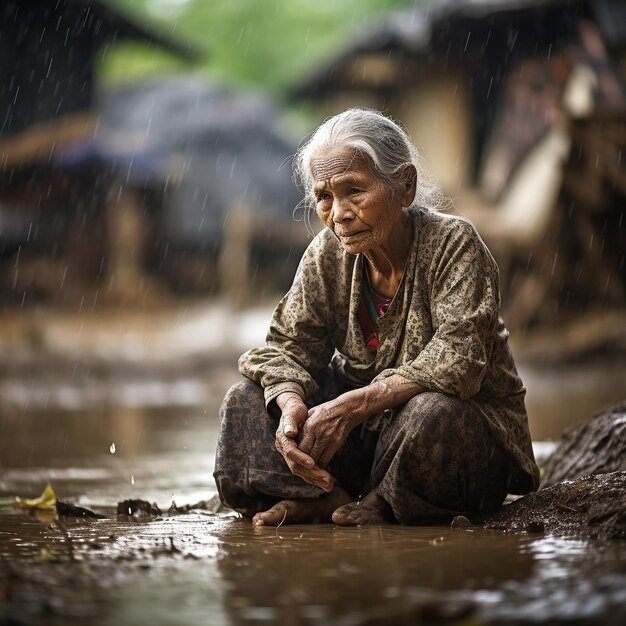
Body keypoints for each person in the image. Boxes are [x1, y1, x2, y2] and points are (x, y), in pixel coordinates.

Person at [214, 108, 539, 526]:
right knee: (244, 400)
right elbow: (284, 349)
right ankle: (328, 496)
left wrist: (350, 407)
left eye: (354, 191)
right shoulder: (326, 257)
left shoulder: (454, 244)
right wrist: (291, 402)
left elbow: (459, 361)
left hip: (454, 438)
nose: (339, 214)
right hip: (371, 440)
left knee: (432, 413)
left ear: (404, 186)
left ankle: (387, 502)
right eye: (325, 197)